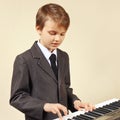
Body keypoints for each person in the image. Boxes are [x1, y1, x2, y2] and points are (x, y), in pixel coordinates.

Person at [9, 3, 95, 120]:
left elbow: (64, 89)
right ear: (38, 29)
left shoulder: (63, 57)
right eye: (52, 33)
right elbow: (17, 97)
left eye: (62, 34)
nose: (58, 39)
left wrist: (75, 101)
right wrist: (44, 106)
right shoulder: (24, 60)